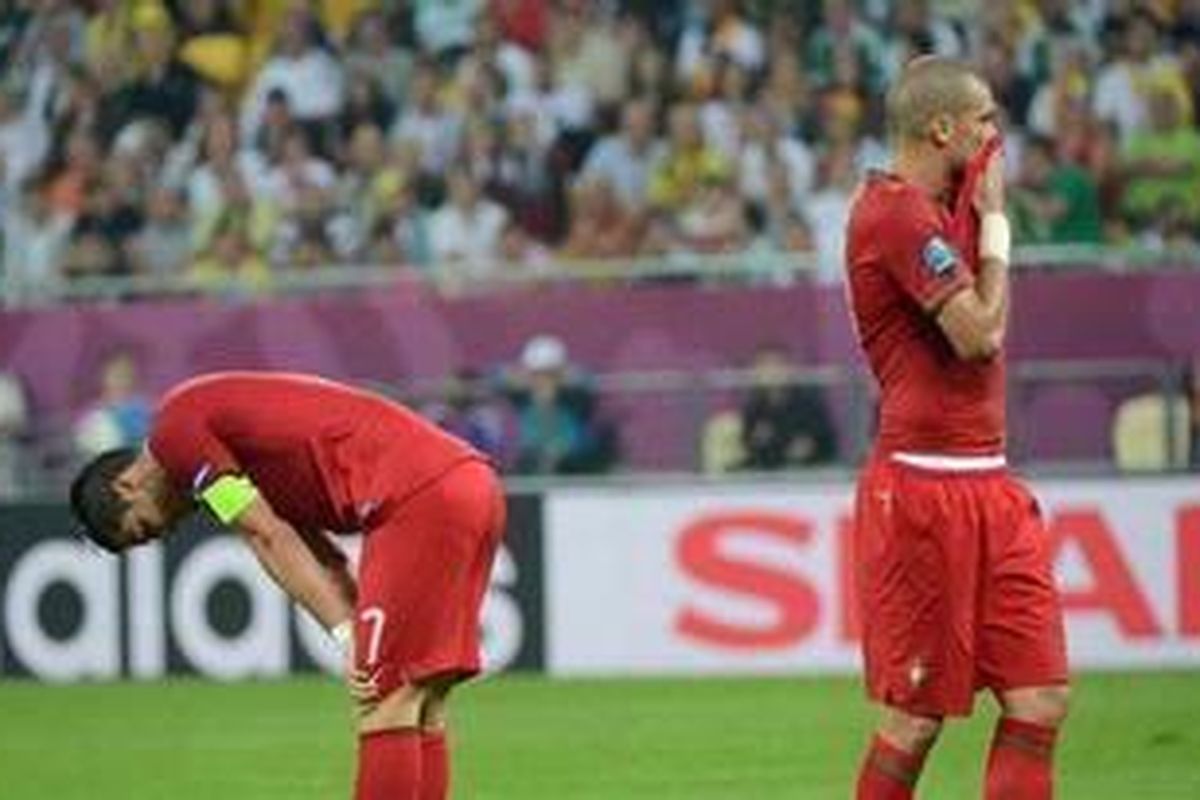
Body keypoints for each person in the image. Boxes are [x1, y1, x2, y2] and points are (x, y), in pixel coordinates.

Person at [68, 371, 506, 800]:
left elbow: (265, 534)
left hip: (417, 494)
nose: (165, 532)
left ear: (127, 484)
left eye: (146, 527)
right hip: (469, 484)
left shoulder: (175, 435)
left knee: (385, 700)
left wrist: (348, 635)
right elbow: (321, 556)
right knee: (422, 698)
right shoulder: (243, 460)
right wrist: (357, 626)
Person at [844, 56, 1069, 799]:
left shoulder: (940, 215)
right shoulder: (896, 212)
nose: (995, 135)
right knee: (915, 719)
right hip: (922, 488)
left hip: (989, 483)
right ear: (943, 127)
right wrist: (999, 224)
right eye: (985, 120)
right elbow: (977, 335)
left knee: (1040, 698)